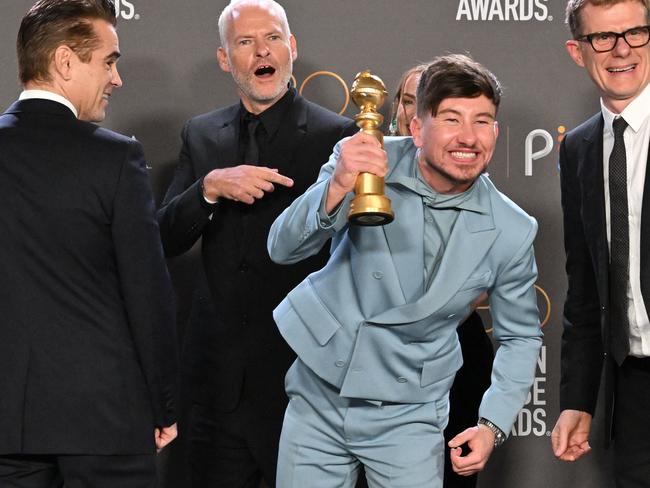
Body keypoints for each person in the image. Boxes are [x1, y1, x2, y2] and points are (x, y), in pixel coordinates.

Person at [268, 53, 543, 488]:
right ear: (416, 127)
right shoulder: (363, 161)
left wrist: (492, 424)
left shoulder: (511, 229)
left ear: (496, 131)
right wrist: (338, 184)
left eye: (483, 121)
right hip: (319, 394)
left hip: (409, 411)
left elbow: (521, 336)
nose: (468, 137)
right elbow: (282, 248)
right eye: (451, 119)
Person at [156, 0, 357, 486]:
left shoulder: (338, 136)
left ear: (291, 48)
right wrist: (208, 188)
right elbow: (163, 236)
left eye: (271, 38)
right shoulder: (201, 135)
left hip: (304, 383)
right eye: (245, 42)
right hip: (217, 384)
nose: (260, 51)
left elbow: (357, 255)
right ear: (226, 59)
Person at [0, 1, 179, 487]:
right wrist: (163, 403)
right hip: (105, 421)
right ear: (64, 62)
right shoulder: (115, 158)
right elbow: (146, 291)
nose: (116, 79)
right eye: (109, 61)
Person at [551, 1, 650, 486]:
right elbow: (585, 288)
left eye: (635, 33)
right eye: (603, 38)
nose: (621, 50)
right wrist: (577, 398)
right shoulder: (578, 148)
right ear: (577, 51)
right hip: (633, 390)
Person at [388, 64, 494, 488]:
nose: (416, 112)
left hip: (454, 353)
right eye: (408, 101)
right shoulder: (360, 177)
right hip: (373, 364)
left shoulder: (477, 195)